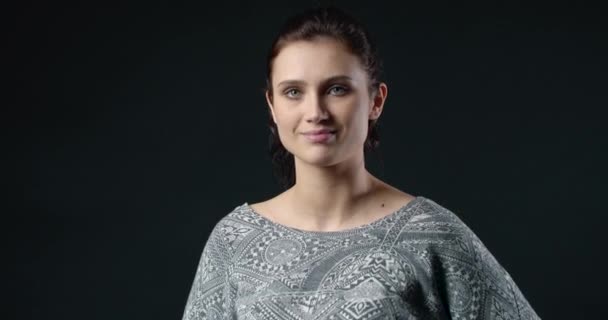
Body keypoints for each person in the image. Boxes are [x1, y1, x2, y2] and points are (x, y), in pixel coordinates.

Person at [182, 6, 540, 320]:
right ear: (272, 106)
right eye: (293, 92)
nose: (315, 112)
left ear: (375, 100)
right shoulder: (234, 241)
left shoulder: (432, 236)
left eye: (337, 89)